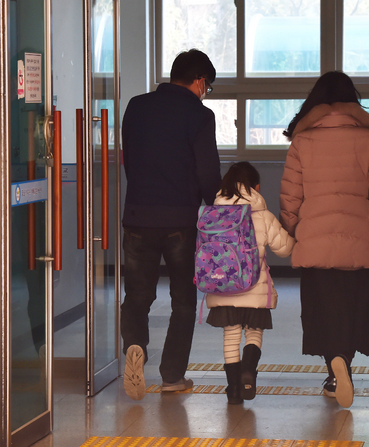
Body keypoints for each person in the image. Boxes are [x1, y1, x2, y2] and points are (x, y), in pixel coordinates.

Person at [279, 71, 369, 408]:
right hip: (359, 238)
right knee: (354, 306)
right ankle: (345, 361)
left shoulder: (302, 141)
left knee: (323, 308)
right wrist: (365, 212)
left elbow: (289, 200)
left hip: (315, 240)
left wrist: (298, 226)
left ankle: (333, 368)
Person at [120, 49, 222, 400]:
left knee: (137, 295)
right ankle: (172, 375)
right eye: (206, 86)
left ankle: (135, 346)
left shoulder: (137, 106)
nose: (204, 92)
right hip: (179, 220)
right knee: (182, 300)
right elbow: (208, 173)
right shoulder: (199, 115)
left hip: (137, 217)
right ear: (198, 81)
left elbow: (128, 159)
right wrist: (215, 207)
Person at [205, 162, 295, 404]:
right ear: (256, 187)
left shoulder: (212, 216)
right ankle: (248, 370)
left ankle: (233, 389)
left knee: (231, 337)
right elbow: (285, 249)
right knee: (253, 332)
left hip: (222, 288)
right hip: (255, 288)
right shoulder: (262, 215)